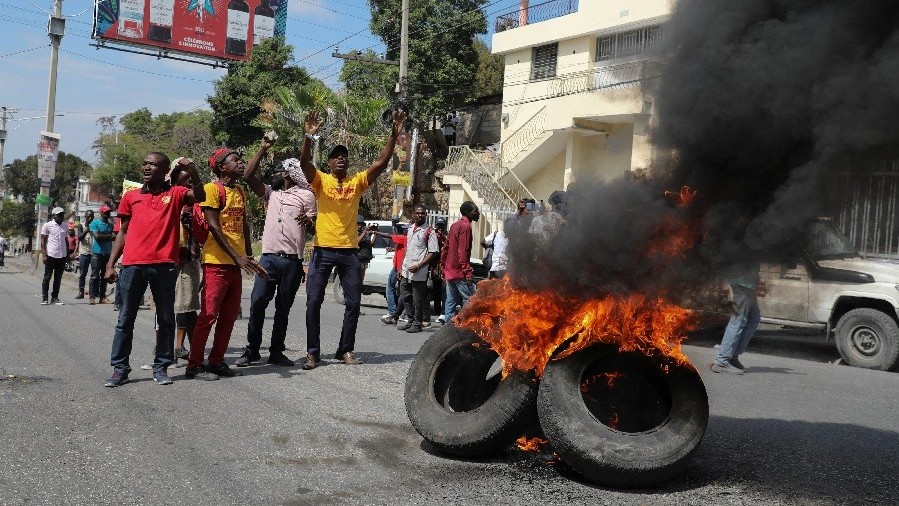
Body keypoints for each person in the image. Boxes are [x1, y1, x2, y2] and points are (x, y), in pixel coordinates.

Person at [299, 108, 406, 369]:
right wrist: (308, 137)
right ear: (329, 163)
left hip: (349, 251)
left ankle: (345, 350)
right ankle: (312, 352)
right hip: (323, 250)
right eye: (336, 157)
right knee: (313, 300)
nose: (341, 160)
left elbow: (380, 164)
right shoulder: (321, 181)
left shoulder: (356, 182)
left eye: (344, 157)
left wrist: (393, 135)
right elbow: (304, 164)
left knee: (354, 303)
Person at [102, 153, 206, 387]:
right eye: (145, 163)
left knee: (166, 318)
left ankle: (161, 366)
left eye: (152, 164)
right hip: (132, 265)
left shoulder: (175, 194)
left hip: (165, 267)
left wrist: (194, 170)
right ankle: (120, 368)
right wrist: (110, 264)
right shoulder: (131, 196)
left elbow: (200, 195)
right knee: (125, 319)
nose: (146, 167)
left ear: (164, 170)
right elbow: (123, 232)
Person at [186, 147, 268, 380]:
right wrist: (237, 257)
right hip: (216, 263)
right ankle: (194, 364)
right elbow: (213, 226)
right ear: (221, 167)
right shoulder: (212, 190)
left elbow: (242, 225)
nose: (241, 164)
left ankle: (217, 360)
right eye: (236, 160)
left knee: (229, 315)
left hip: (236, 263)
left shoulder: (240, 191)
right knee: (209, 315)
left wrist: (249, 255)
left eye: (242, 161)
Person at [236, 142, 317, 368]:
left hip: (292, 260)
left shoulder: (307, 196)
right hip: (268, 258)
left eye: (279, 171)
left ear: (289, 175)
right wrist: (261, 149)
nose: (276, 174)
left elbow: (313, 229)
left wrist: (309, 222)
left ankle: (276, 351)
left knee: (283, 308)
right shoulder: (271, 193)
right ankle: (252, 350)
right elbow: (248, 174)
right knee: (258, 302)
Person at [168, 159, 203, 360]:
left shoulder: (195, 200)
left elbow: (205, 229)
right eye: (185, 176)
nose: (189, 181)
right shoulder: (165, 196)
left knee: (188, 307)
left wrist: (193, 223)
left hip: (188, 257)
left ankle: (192, 353)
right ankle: (165, 350)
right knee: (165, 308)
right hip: (166, 258)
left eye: (191, 177)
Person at [712, 265, 762, 375]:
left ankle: (732, 356)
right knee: (738, 320)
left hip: (747, 282)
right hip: (742, 283)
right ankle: (722, 361)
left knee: (753, 318)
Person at [396, 205, 439, 333]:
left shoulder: (429, 231)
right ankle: (410, 319)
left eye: (423, 213)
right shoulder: (410, 229)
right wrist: (400, 267)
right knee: (404, 294)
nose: (420, 215)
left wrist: (419, 265)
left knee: (417, 298)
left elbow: (433, 252)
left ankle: (417, 323)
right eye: (418, 213)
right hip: (406, 268)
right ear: (413, 214)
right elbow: (407, 249)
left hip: (419, 269)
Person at [441, 201, 480, 322]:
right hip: (459, 271)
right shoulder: (465, 226)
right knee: (469, 300)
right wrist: (467, 272)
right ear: (468, 212)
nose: (477, 213)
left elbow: (445, 248)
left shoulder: (454, 225)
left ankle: (447, 329)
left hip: (450, 270)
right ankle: (466, 327)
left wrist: (443, 266)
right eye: (475, 211)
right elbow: (463, 251)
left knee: (450, 301)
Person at [377, 221, 408, 325]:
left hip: (398, 268)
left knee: (390, 288)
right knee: (400, 291)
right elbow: (402, 249)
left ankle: (393, 312)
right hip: (399, 267)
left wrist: (375, 232)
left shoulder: (403, 237)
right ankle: (400, 314)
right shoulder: (407, 239)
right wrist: (393, 249)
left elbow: (389, 236)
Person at [40, 207, 69, 305]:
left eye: (62, 215)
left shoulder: (65, 226)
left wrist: (68, 255)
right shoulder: (47, 226)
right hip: (51, 255)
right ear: (54, 215)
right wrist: (44, 255)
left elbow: (65, 240)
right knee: (47, 277)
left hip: (62, 255)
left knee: (58, 278)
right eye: (59, 215)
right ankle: (44, 298)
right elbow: (43, 241)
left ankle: (55, 298)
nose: (61, 217)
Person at [89, 205, 115, 304]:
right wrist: (109, 236)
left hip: (107, 253)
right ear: (101, 213)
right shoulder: (95, 223)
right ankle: (92, 297)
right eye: (106, 212)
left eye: (109, 212)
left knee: (105, 276)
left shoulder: (111, 225)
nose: (108, 214)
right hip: (97, 253)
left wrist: (107, 237)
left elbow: (115, 237)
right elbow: (97, 236)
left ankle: (102, 297)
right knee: (94, 276)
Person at [431, 218, 447, 323]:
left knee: (444, 290)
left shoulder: (447, 235)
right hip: (435, 265)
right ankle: (437, 310)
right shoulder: (434, 235)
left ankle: (443, 312)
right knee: (436, 289)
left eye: (441, 226)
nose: (440, 228)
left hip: (444, 265)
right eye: (438, 225)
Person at [75, 210, 94, 299]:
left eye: (92, 217)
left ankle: (92, 294)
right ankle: (81, 292)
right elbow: (79, 237)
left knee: (94, 275)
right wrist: (86, 231)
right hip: (84, 253)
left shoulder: (94, 226)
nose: (90, 218)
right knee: (82, 274)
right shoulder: (81, 226)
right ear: (85, 217)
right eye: (88, 216)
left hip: (93, 253)